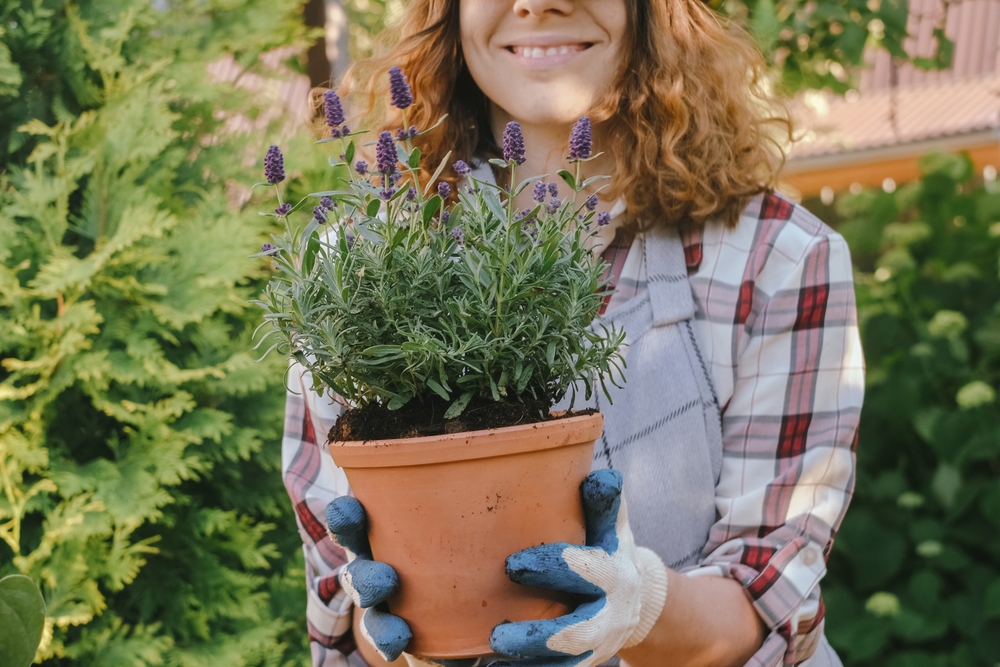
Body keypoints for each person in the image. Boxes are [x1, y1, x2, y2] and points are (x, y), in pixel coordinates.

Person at [281, 1, 864, 666]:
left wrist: (639, 607)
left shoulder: (776, 259)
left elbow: (766, 607)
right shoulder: (353, 274)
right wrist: (405, 628)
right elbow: (341, 605)